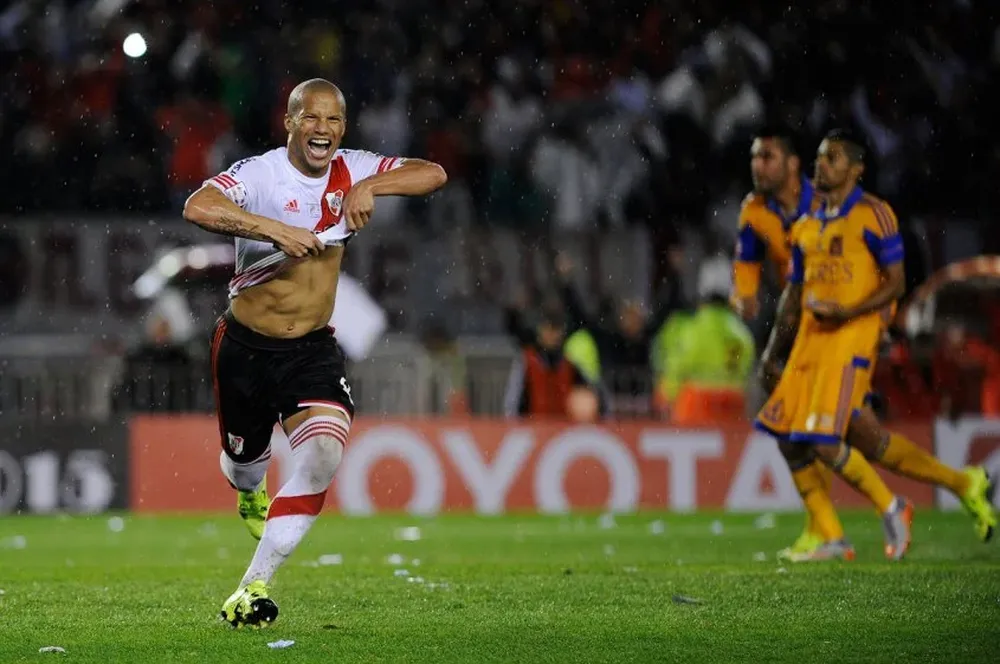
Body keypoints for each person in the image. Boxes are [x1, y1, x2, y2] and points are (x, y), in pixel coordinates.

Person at [183, 78, 447, 627]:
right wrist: (271, 229)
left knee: (325, 453)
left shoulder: (354, 168)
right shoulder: (261, 174)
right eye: (310, 117)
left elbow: (434, 173)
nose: (321, 128)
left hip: (311, 349)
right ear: (289, 122)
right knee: (243, 469)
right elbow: (198, 205)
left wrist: (373, 187)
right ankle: (249, 489)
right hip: (244, 347)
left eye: (332, 119)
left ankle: (252, 587)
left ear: (343, 128)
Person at [754, 129, 995, 562]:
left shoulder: (875, 214)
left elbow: (897, 283)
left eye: (832, 158)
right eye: (819, 157)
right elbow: (795, 292)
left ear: (856, 169)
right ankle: (963, 484)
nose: (821, 164)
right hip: (811, 343)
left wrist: (853, 313)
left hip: (851, 341)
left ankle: (891, 507)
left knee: (822, 439)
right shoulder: (807, 224)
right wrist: (774, 349)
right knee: (817, 437)